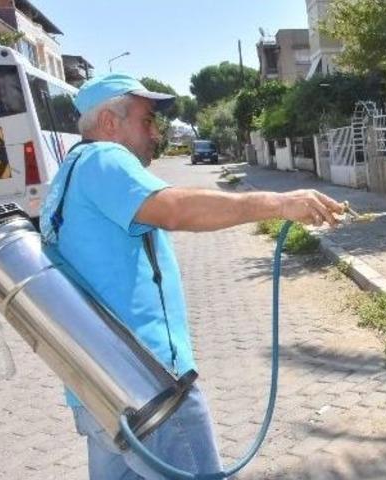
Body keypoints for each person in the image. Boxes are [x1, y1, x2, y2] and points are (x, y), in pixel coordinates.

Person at [39, 73, 344, 479]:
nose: (156, 132)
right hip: (148, 384)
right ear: (110, 123)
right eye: (147, 120)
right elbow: (175, 209)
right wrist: (279, 202)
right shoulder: (104, 159)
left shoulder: (70, 171)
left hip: (98, 388)